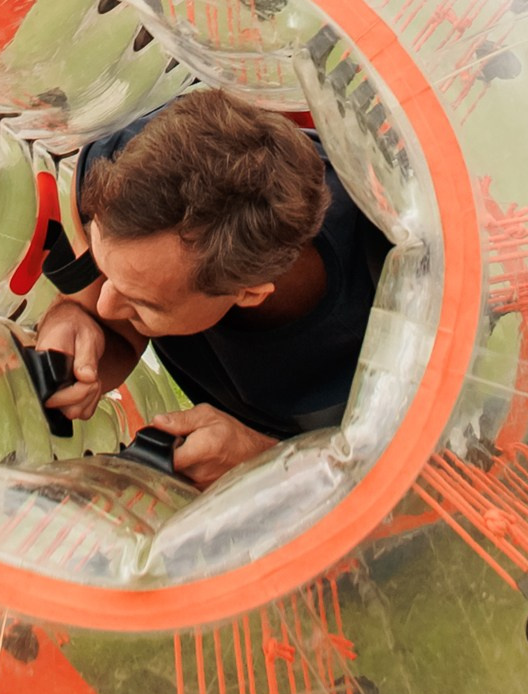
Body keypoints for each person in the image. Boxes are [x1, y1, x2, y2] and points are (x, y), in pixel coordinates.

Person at [29, 88, 382, 488]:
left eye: (143, 302)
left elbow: (433, 470)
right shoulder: (121, 162)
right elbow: (103, 318)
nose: (107, 305)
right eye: (103, 266)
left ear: (249, 293)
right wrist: (72, 319)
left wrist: (267, 460)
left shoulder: (392, 294)